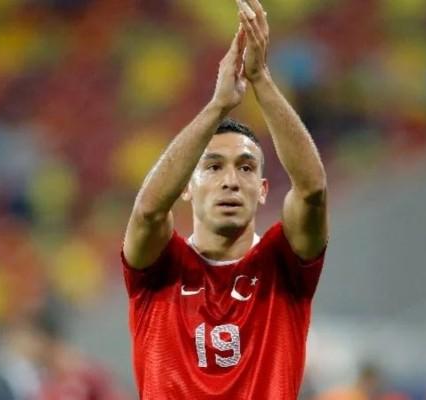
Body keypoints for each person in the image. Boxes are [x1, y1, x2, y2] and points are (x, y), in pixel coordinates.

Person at [120, 0, 328, 398]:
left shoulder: (283, 264)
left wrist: (260, 80)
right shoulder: (160, 267)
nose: (230, 181)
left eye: (246, 168)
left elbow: (313, 190)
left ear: (262, 190)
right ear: (186, 187)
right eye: (213, 167)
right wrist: (217, 106)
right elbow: (148, 211)